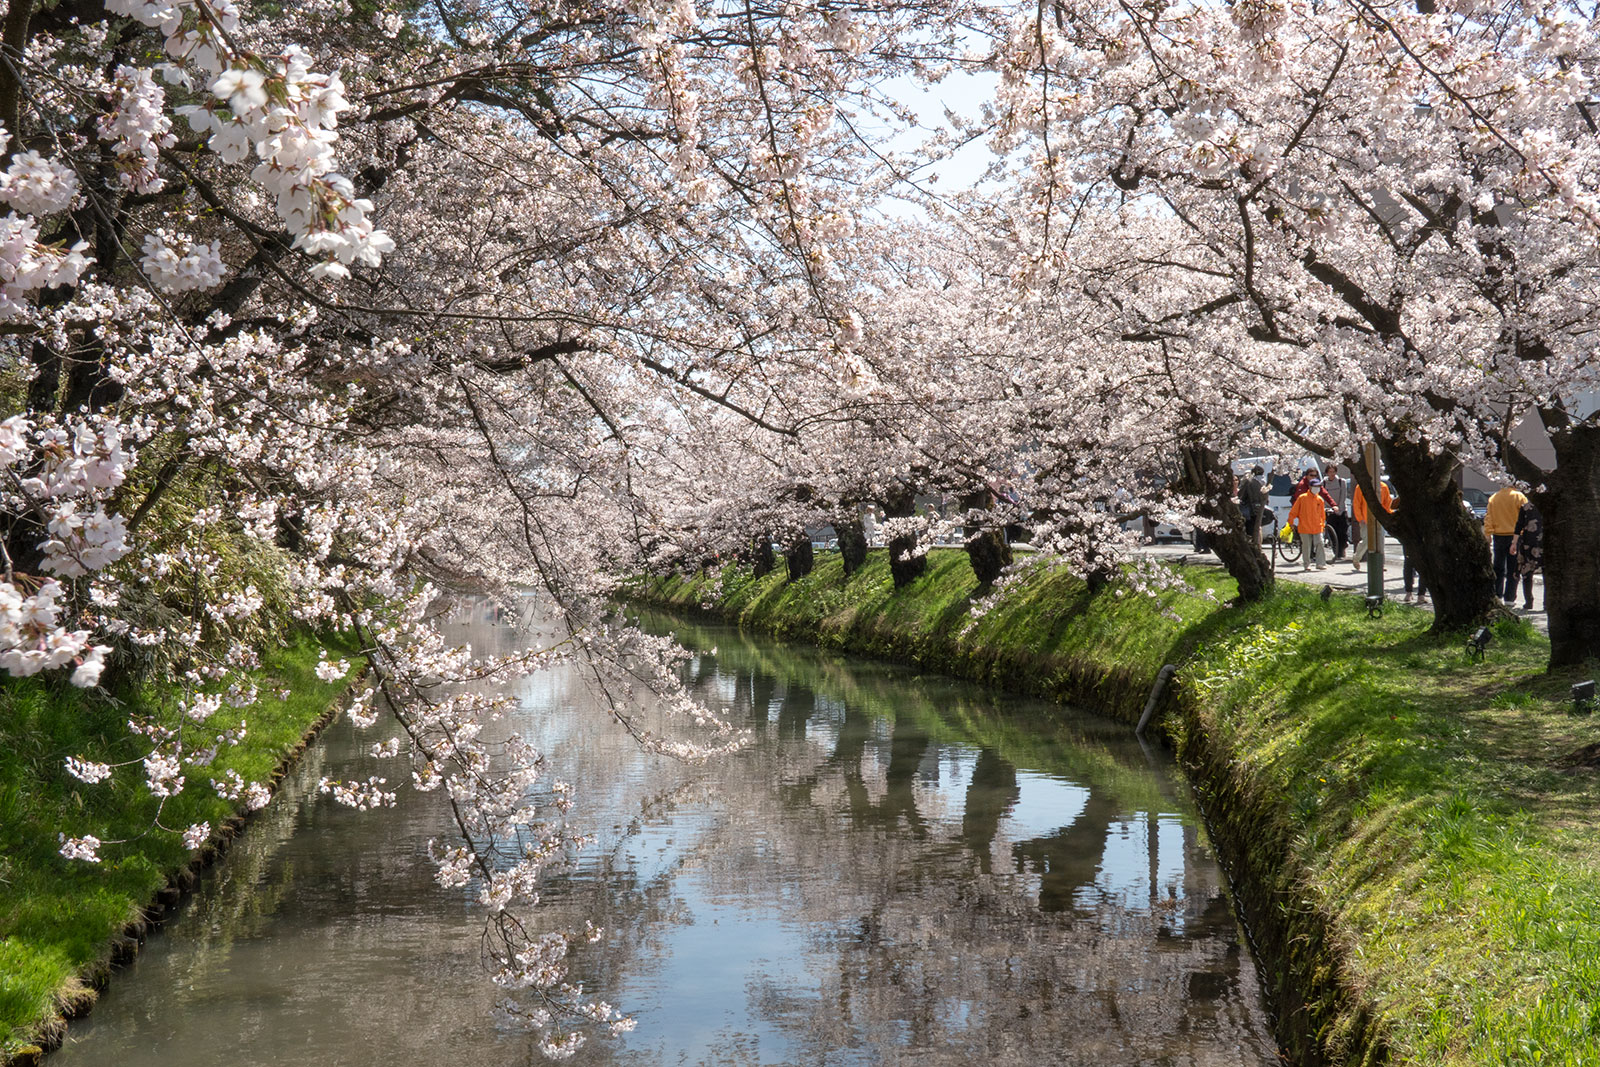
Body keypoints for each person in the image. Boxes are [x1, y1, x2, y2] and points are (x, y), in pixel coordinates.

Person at [1483, 484, 1529, 604]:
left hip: (1498, 535)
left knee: (1498, 566)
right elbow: (1526, 516)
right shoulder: (1519, 497)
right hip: (1516, 536)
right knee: (1513, 568)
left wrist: (1488, 533)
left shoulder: (1494, 497)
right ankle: (1510, 597)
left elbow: (1488, 517)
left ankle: (1497, 594)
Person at [1349, 478, 1392, 569]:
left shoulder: (1383, 487)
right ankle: (1357, 557)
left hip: (1379, 519)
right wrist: (1360, 518)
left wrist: (1387, 516)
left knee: (1380, 541)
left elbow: (1387, 503)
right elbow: (1356, 503)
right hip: (1365, 519)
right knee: (1367, 541)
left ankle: (1380, 564)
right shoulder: (1360, 487)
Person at [1288, 477, 1329, 570]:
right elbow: (1293, 512)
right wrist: (1291, 522)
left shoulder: (1320, 499)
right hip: (1305, 527)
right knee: (1306, 546)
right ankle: (1307, 564)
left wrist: (1323, 525)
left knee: (1320, 544)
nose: (1317, 488)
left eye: (1318, 486)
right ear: (1310, 487)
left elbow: (1322, 515)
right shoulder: (1302, 498)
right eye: (1315, 486)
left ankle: (1320, 563)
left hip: (1317, 526)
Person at [1511, 499, 1543, 611]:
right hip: (1544, 541)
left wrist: (1514, 543)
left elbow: (1519, 525)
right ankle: (1547, 602)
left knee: (1527, 572)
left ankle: (1528, 601)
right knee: (1547, 571)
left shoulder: (1526, 507)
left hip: (1529, 542)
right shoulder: (1549, 505)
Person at [1323, 465, 1350, 560]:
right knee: (1332, 532)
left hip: (1341, 510)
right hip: (1330, 511)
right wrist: (1329, 507)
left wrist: (1339, 508)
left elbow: (1343, 496)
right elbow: (1324, 497)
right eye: (1330, 472)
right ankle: (1336, 552)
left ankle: (1342, 549)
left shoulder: (1341, 482)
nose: (1332, 474)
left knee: (1342, 532)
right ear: (1327, 473)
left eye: (1333, 471)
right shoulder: (1324, 483)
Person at [1238, 464, 1267, 546]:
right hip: (1259, 509)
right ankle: (1258, 546)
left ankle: (1253, 546)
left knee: (1250, 530)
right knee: (1258, 528)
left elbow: (1241, 496)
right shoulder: (1264, 482)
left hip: (1250, 511)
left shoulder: (1249, 482)